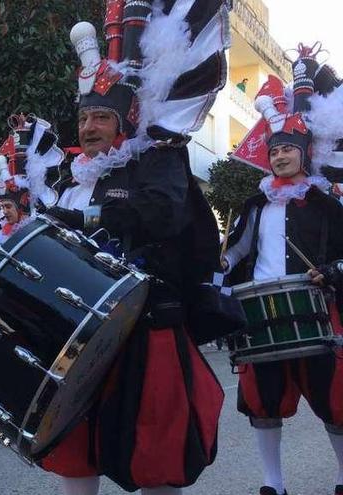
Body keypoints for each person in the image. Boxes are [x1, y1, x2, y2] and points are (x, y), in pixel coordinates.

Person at [36, 10, 230, 494]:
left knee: (155, 454)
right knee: (75, 447)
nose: (89, 127)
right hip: (81, 332)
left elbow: (163, 214)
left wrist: (90, 218)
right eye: (83, 117)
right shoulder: (72, 177)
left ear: (126, 120)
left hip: (148, 327)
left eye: (101, 116)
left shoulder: (159, 158)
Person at [223, 48, 343, 495]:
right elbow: (236, 251)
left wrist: (331, 271)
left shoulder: (328, 204)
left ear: (305, 154)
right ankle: (273, 483)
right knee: (262, 400)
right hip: (264, 308)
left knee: (335, 400)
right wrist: (224, 263)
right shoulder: (254, 204)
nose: (280, 157)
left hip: (319, 307)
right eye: (275, 151)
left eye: (289, 149)